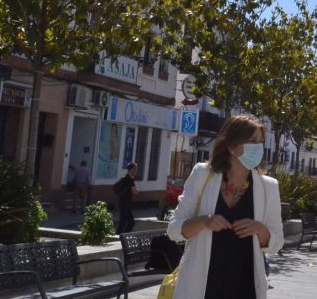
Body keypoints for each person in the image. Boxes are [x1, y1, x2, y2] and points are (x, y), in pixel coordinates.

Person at [167, 115, 283, 299]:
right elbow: (173, 229)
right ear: (231, 145)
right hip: (202, 287)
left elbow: (277, 243)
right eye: (252, 141)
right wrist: (205, 221)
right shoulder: (203, 175)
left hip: (246, 287)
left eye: (260, 142)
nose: (259, 147)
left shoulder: (268, 187)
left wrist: (260, 229)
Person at [114, 162, 139, 233]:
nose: (136, 171)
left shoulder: (125, 178)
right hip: (126, 204)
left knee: (127, 222)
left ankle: (122, 235)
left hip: (123, 202)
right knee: (126, 222)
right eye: (136, 169)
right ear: (132, 170)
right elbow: (135, 192)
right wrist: (137, 190)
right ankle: (120, 236)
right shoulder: (130, 180)